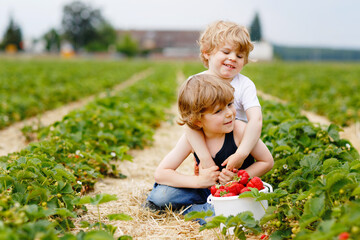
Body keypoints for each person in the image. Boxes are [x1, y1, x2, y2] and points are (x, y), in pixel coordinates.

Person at [145, 74, 273, 224]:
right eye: (218, 111)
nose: (229, 113)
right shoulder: (192, 139)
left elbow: (267, 161)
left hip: (236, 192)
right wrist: (199, 181)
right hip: (204, 190)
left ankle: (196, 211)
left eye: (230, 104)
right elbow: (161, 173)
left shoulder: (239, 130)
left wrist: (237, 178)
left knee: (226, 214)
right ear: (198, 121)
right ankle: (203, 210)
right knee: (161, 196)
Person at [186, 20, 262, 172]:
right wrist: (205, 159)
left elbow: (256, 120)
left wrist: (241, 154)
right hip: (208, 146)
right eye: (226, 52)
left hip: (237, 146)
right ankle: (205, 172)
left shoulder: (245, 85)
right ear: (207, 52)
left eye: (240, 56)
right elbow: (190, 125)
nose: (233, 58)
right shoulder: (195, 83)